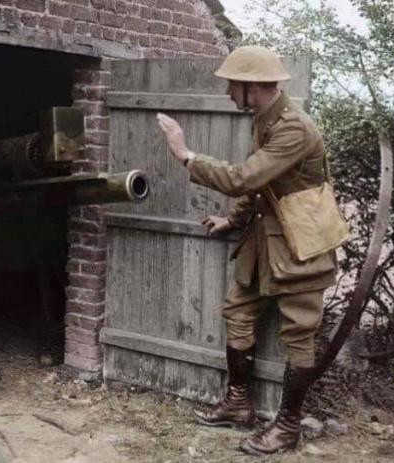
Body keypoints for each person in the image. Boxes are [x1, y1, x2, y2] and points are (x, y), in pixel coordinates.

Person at [156, 46, 337, 456]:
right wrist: (233, 219)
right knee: (237, 310)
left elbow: (244, 178)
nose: (227, 93)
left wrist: (186, 155)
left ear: (251, 87)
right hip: (265, 238)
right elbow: (261, 185)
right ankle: (238, 404)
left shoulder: (294, 128)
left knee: (299, 333)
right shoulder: (266, 119)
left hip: (302, 242)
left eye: (231, 85)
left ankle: (287, 426)